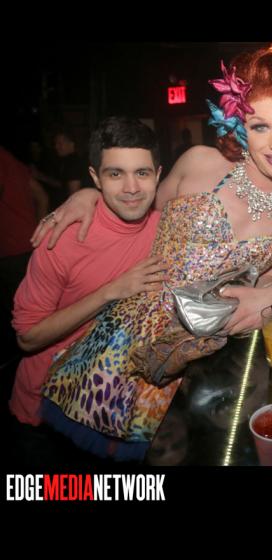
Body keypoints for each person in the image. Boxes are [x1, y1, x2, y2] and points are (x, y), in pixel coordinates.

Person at [29, 46, 272, 460]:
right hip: (121, 339)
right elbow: (135, 211)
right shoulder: (199, 162)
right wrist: (90, 195)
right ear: (238, 124)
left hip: (200, 364)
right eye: (260, 126)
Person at [9, 117, 166, 465]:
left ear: (158, 175)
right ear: (95, 178)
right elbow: (28, 338)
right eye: (115, 174)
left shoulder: (164, 229)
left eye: (141, 173)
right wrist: (110, 292)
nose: (131, 188)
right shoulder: (62, 239)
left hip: (110, 412)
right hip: (44, 415)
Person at [0, 145, 49, 358]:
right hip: (26, 246)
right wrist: (39, 231)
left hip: (12, 250)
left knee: (23, 318)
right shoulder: (14, 162)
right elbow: (42, 196)